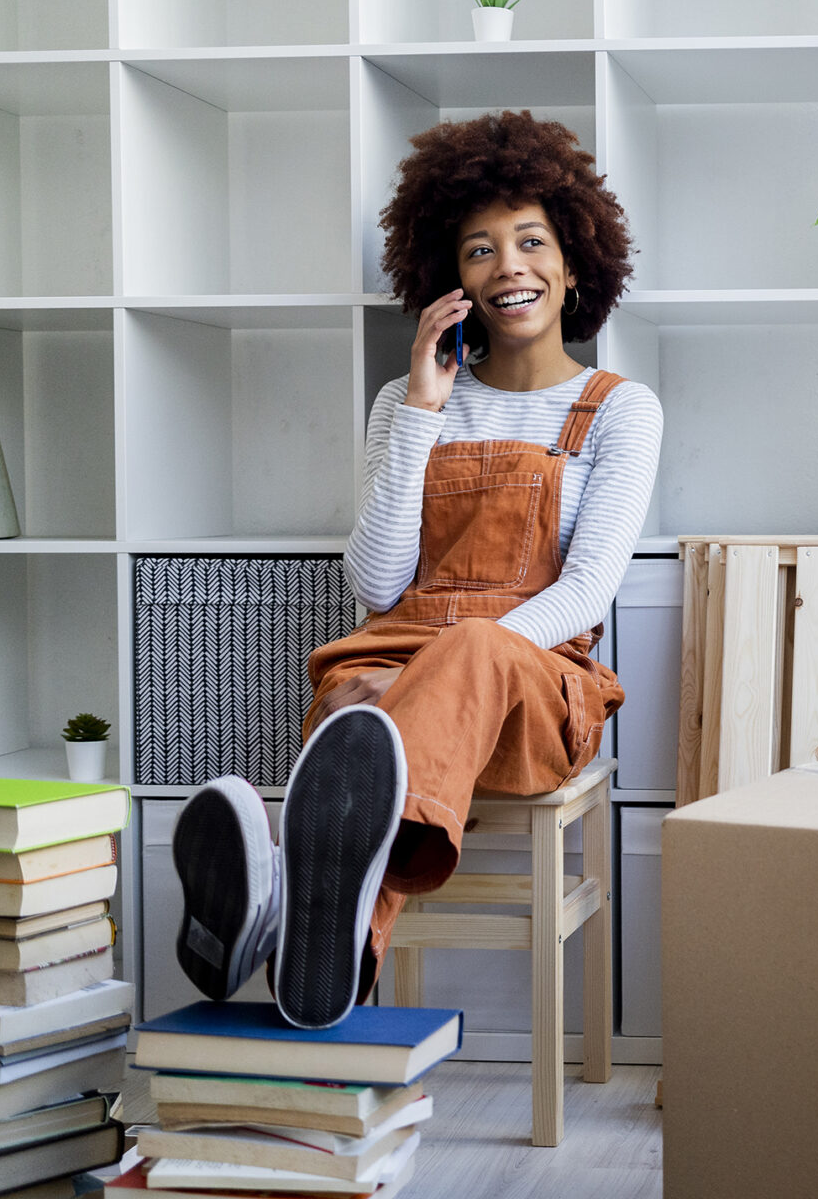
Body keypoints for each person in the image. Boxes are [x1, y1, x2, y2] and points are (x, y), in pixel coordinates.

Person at [169, 112, 663, 1028]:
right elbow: (377, 586)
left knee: (450, 661)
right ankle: (337, 939)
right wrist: (425, 413)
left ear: (573, 262)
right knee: (356, 692)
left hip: (535, 687)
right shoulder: (405, 400)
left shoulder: (619, 410)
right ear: (451, 279)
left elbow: (588, 592)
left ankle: (278, 888)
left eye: (530, 242)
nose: (507, 265)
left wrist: (444, 665)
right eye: (480, 250)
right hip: (399, 659)